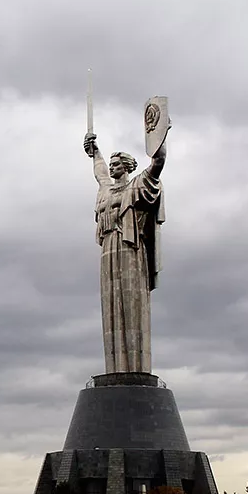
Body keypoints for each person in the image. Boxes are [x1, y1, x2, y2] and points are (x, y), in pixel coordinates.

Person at [84, 132, 167, 374]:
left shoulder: (137, 186)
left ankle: (135, 369)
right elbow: (99, 171)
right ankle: (115, 370)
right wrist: (95, 151)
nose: (112, 167)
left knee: (131, 304)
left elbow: (158, 163)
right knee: (110, 304)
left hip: (130, 247)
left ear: (127, 166)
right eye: (111, 164)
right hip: (108, 250)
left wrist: (159, 134)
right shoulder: (106, 190)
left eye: (116, 164)